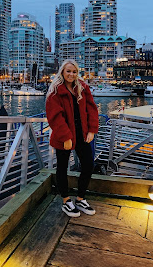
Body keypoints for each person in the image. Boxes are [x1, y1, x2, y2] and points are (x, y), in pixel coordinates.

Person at [46, 59, 99, 217]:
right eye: (68, 71)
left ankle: (81, 198)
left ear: (78, 73)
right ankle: (66, 200)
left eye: (74, 71)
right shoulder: (55, 91)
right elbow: (55, 116)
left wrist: (92, 130)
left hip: (82, 133)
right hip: (64, 135)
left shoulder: (82, 87)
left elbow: (92, 109)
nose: (71, 74)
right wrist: (66, 137)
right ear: (62, 71)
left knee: (88, 164)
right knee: (62, 167)